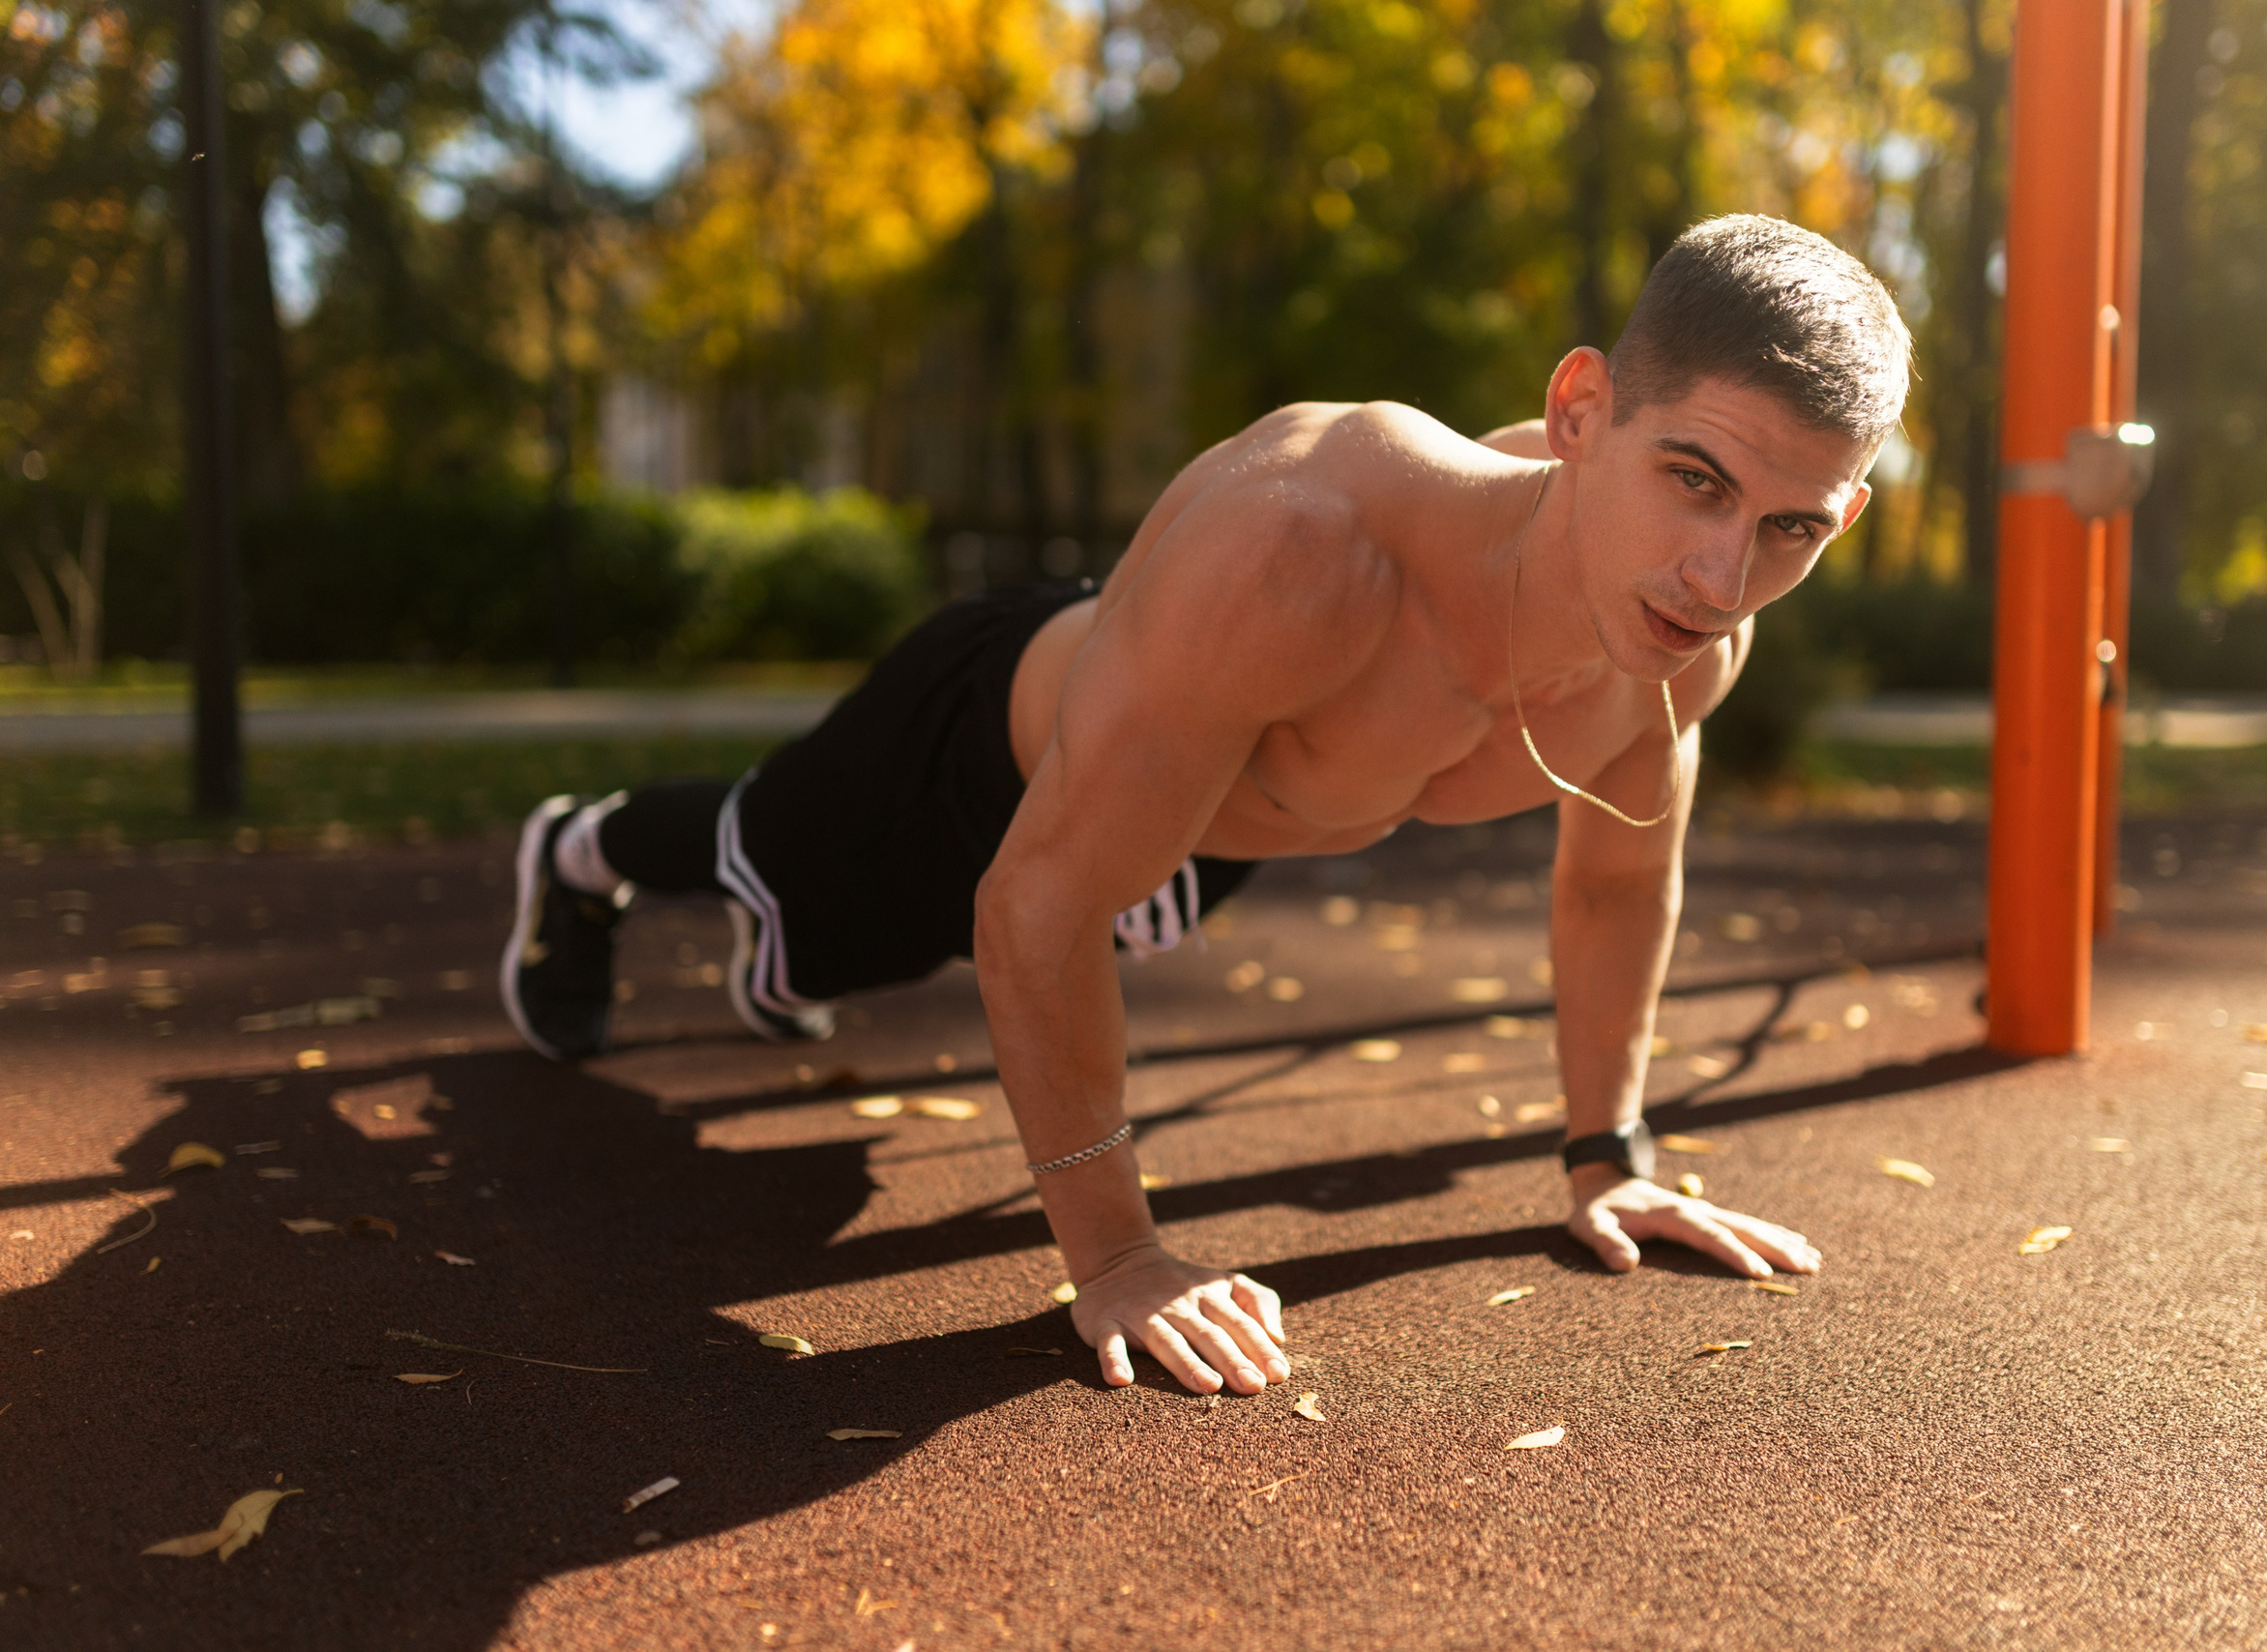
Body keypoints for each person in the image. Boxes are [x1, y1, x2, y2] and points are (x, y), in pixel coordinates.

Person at [503, 214, 1907, 1400]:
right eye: (1695, 481)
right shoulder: (1304, 550)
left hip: (1201, 815)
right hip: (975, 752)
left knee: (864, 953)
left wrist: (1605, 1154)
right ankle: (579, 847)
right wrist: (1117, 1259)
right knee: (775, 864)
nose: (1721, 577)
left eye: (1786, 527)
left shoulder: (1690, 646)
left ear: (1837, 520)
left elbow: (1614, 882)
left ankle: (791, 951)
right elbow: (1035, 902)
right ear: (1581, 411)